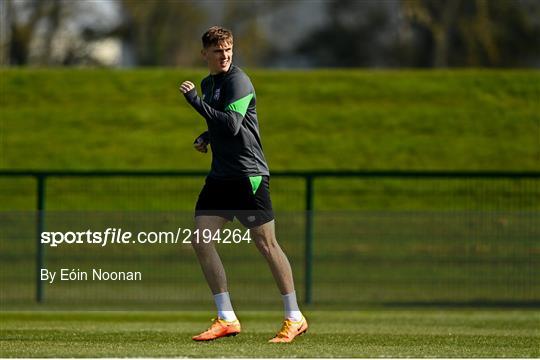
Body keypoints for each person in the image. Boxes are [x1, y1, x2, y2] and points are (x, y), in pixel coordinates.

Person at [179, 26, 307, 343]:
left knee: (266, 244)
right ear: (204, 53)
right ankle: (227, 318)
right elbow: (221, 123)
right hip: (221, 176)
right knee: (201, 240)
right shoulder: (211, 83)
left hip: (248, 175)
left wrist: (195, 102)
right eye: (218, 51)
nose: (224, 56)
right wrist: (206, 137)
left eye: (229, 50)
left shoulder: (238, 80)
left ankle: (295, 317)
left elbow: (233, 125)